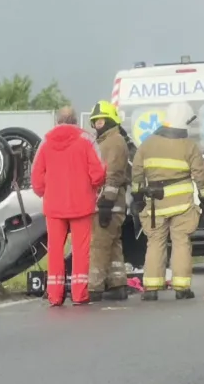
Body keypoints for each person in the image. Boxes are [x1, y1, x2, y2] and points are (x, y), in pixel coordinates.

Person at [130, 101, 204, 301]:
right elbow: (200, 175)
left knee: (155, 242)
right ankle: (182, 288)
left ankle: (151, 288)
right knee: (181, 242)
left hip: (154, 204)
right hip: (182, 204)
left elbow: (137, 174)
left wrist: (138, 197)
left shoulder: (147, 144)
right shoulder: (189, 146)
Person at [31, 107, 106, 306]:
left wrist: (45, 193)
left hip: (54, 206)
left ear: (57, 121)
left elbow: (36, 177)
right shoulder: (87, 140)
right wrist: (93, 188)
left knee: (55, 250)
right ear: (75, 121)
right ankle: (79, 294)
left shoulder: (45, 143)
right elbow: (98, 172)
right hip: (81, 203)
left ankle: (55, 295)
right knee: (81, 250)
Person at [87, 101, 131, 301]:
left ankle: (94, 288)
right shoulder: (108, 140)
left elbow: (113, 174)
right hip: (113, 203)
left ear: (111, 120)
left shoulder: (113, 141)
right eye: (95, 121)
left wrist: (106, 201)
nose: (97, 124)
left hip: (108, 203)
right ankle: (118, 284)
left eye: (101, 120)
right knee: (113, 245)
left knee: (99, 246)